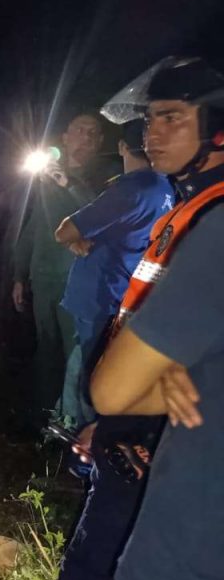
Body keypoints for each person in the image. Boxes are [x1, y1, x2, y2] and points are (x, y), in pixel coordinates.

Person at [89, 56, 224, 580]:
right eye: (149, 120)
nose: (154, 133)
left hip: (186, 576)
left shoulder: (213, 222)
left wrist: (149, 383)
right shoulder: (190, 206)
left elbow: (114, 388)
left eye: (173, 117)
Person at [53, 118, 174, 580]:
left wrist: (114, 421)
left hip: (135, 404)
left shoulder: (143, 188)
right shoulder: (174, 198)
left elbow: (67, 229)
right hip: (141, 412)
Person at [54, 120, 174, 431]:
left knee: (89, 376)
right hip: (125, 293)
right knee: (84, 365)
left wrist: (74, 237)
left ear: (122, 146)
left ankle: (84, 446)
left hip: (102, 295)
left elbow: (65, 230)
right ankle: (74, 431)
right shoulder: (165, 188)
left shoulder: (132, 187)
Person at [12, 113, 105, 415]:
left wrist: (68, 185)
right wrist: (19, 273)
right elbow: (33, 226)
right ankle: (42, 421)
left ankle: (72, 428)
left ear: (100, 142)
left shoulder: (105, 181)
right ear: (65, 137)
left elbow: (97, 215)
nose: (86, 138)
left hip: (76, 281)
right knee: (46, 349)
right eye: (80, 130)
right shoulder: (46, 179)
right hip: (43, 277)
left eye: (93, 133)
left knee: (74, 354)